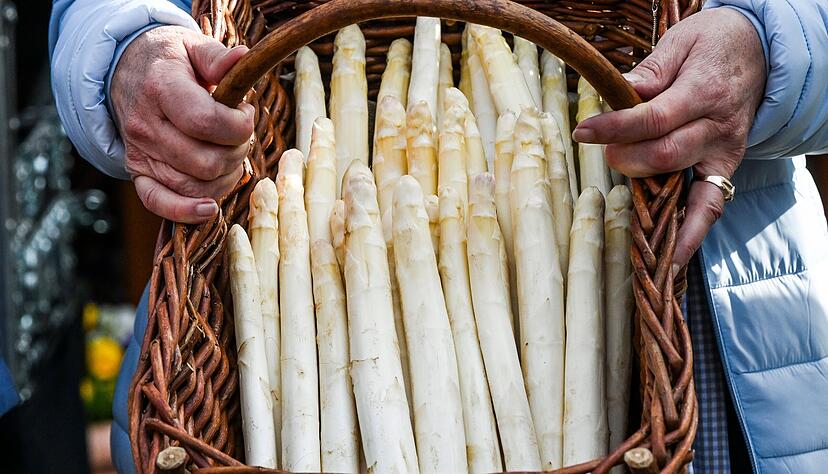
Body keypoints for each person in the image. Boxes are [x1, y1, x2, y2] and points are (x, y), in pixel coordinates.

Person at [45, 0, 828, 472]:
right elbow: (98, 9)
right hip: (256, 288)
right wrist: (123, 48)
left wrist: (775, 44)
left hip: (726, 341)